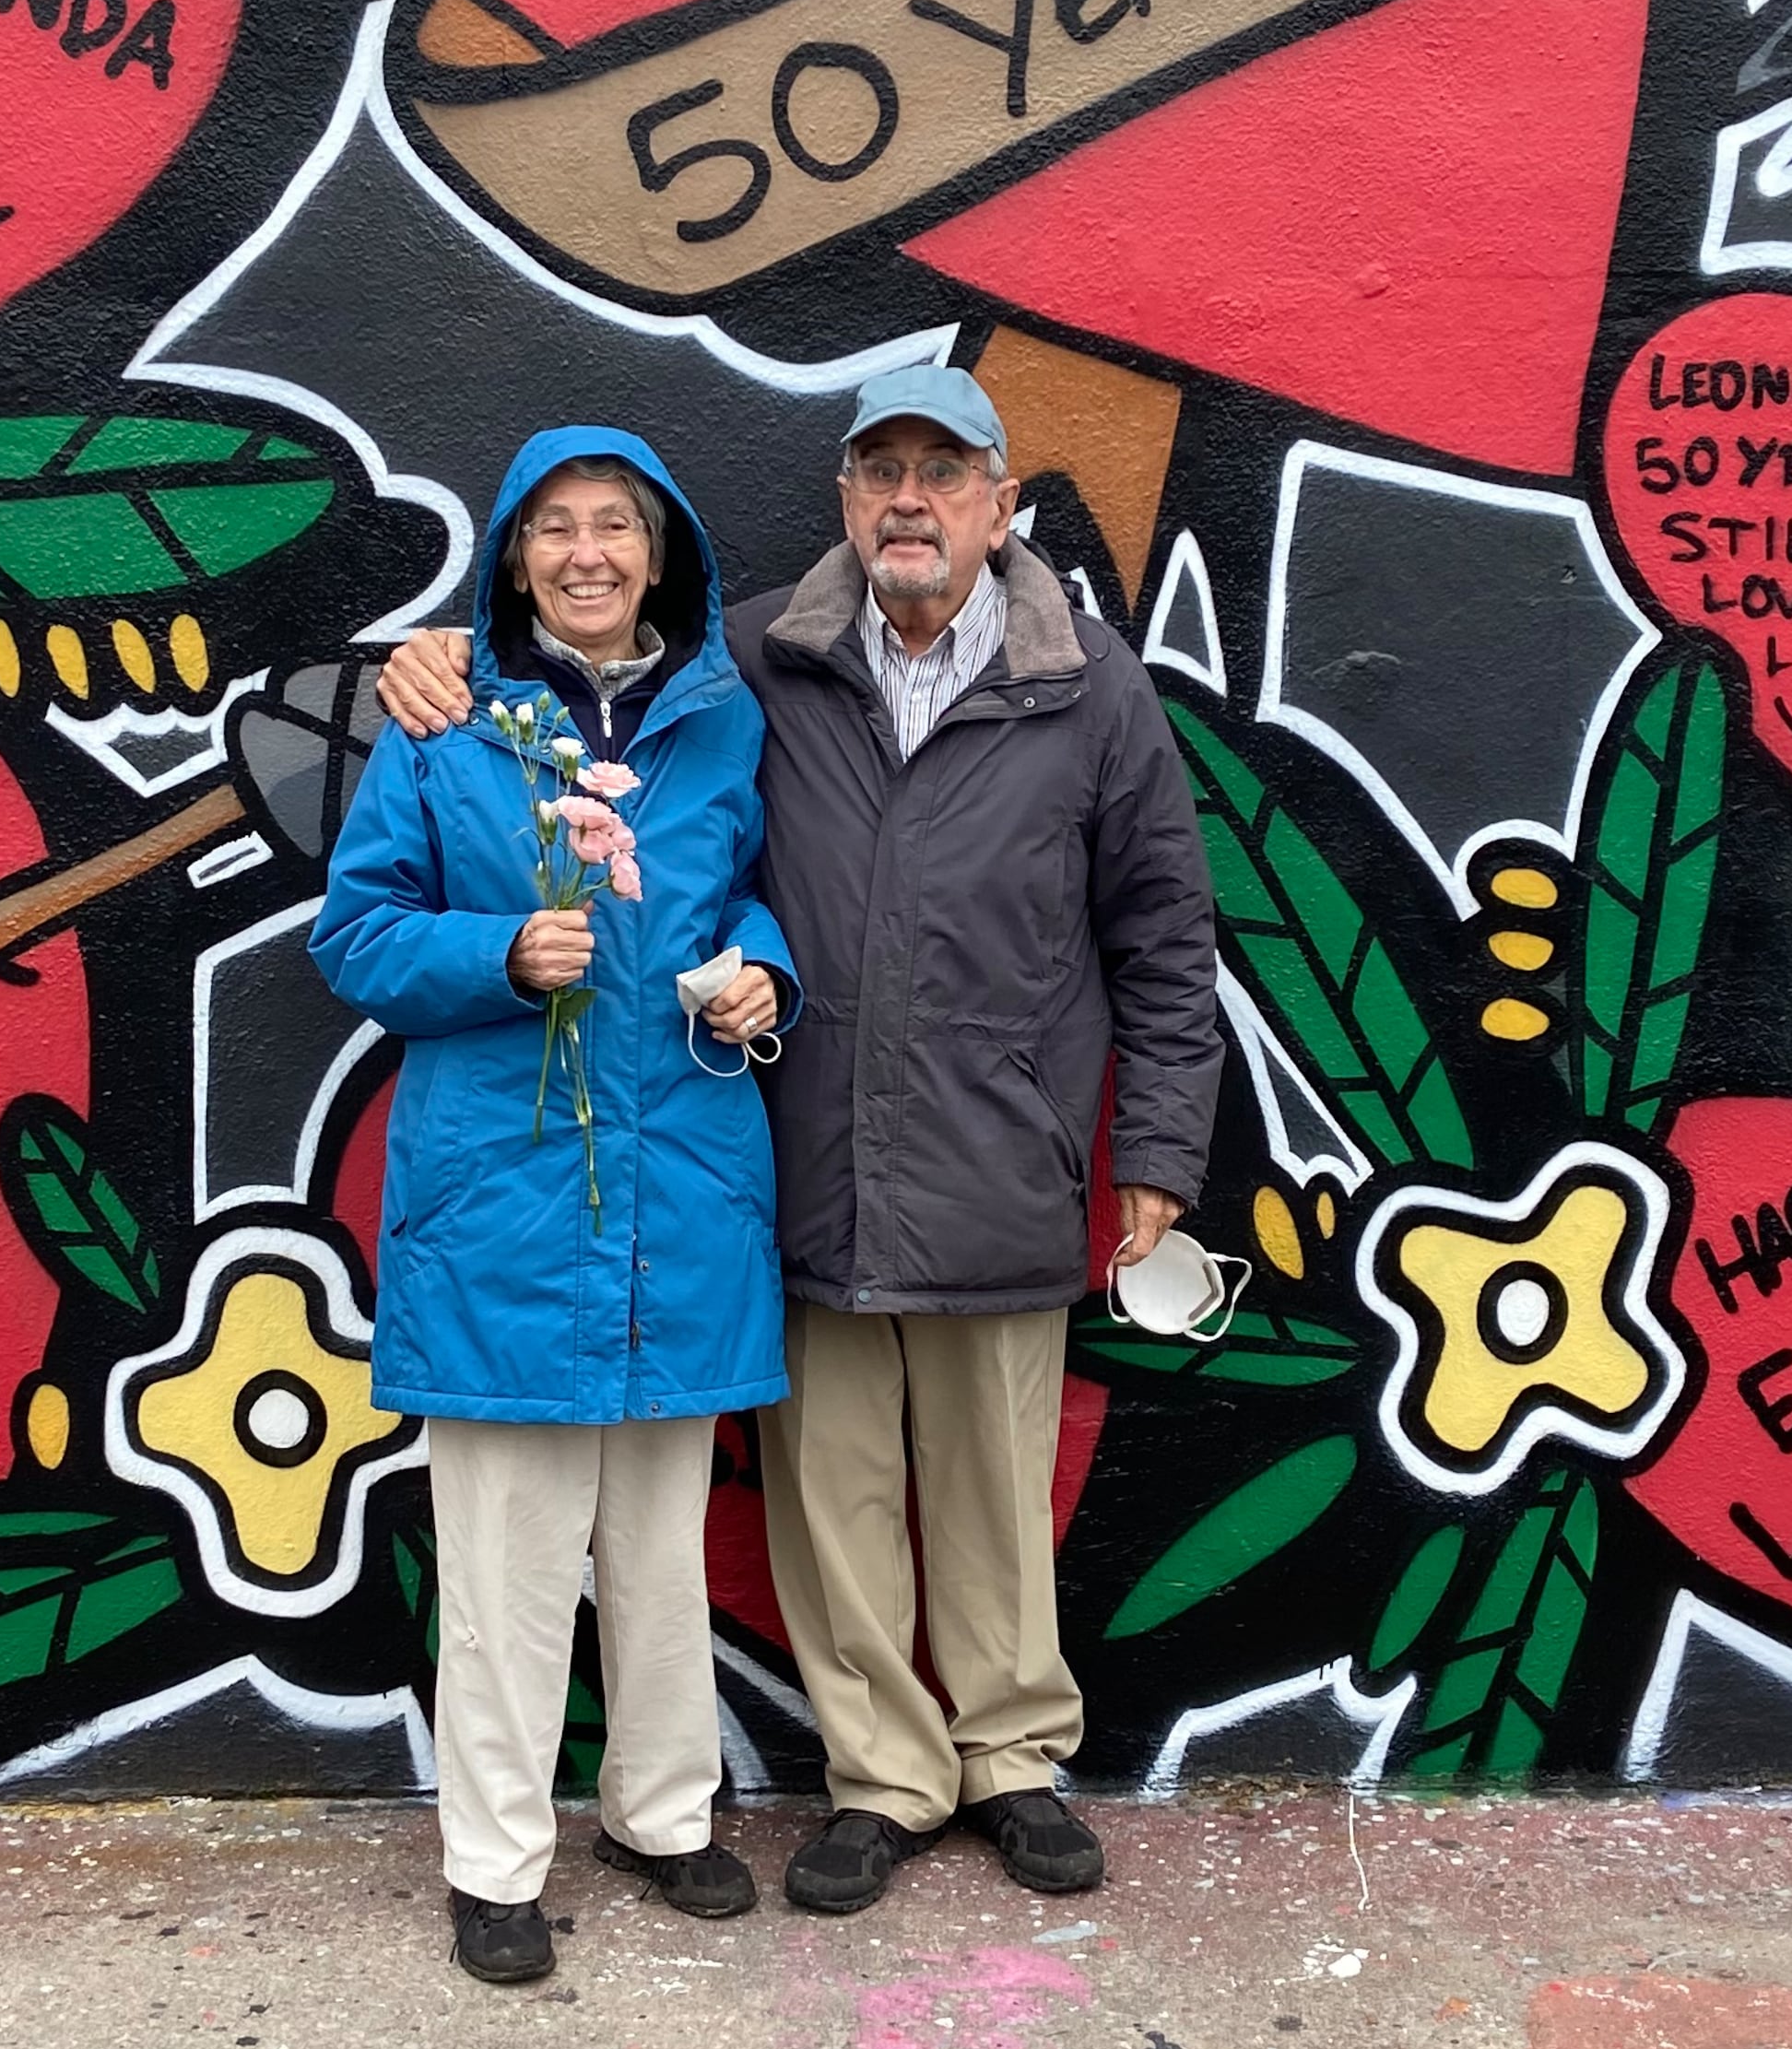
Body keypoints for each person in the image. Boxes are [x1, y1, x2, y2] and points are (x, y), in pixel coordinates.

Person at [379, 360, 1220, 1917]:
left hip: (995, 1151)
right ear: (844, 498)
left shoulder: (1089, 681)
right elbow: (542, 692)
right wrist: (420, 666)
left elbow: (1165, 931)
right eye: (882, 472)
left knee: (993, 1485)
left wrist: (1158, 1148)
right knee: (831, 1500)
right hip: (809, 1155)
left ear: (1000, 500)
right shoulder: (761, 657)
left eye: (945, 473)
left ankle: (1013, 1760)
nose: (912, 501)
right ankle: (886, 1779)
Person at [314, 430, 790, 1986]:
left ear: (663, 557)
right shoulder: (445, 729)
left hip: (682, 1194)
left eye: (618, 529)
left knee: (662, 1545)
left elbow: (751, 896)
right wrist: (496, 955)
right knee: (508, 1562)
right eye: (556, 531)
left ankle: (664, 1814)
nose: (589, 554)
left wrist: (757, 977)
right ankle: (496, 1859)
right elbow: (356, 934)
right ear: (515, 559)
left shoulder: (722, 728)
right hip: (504, 1204)